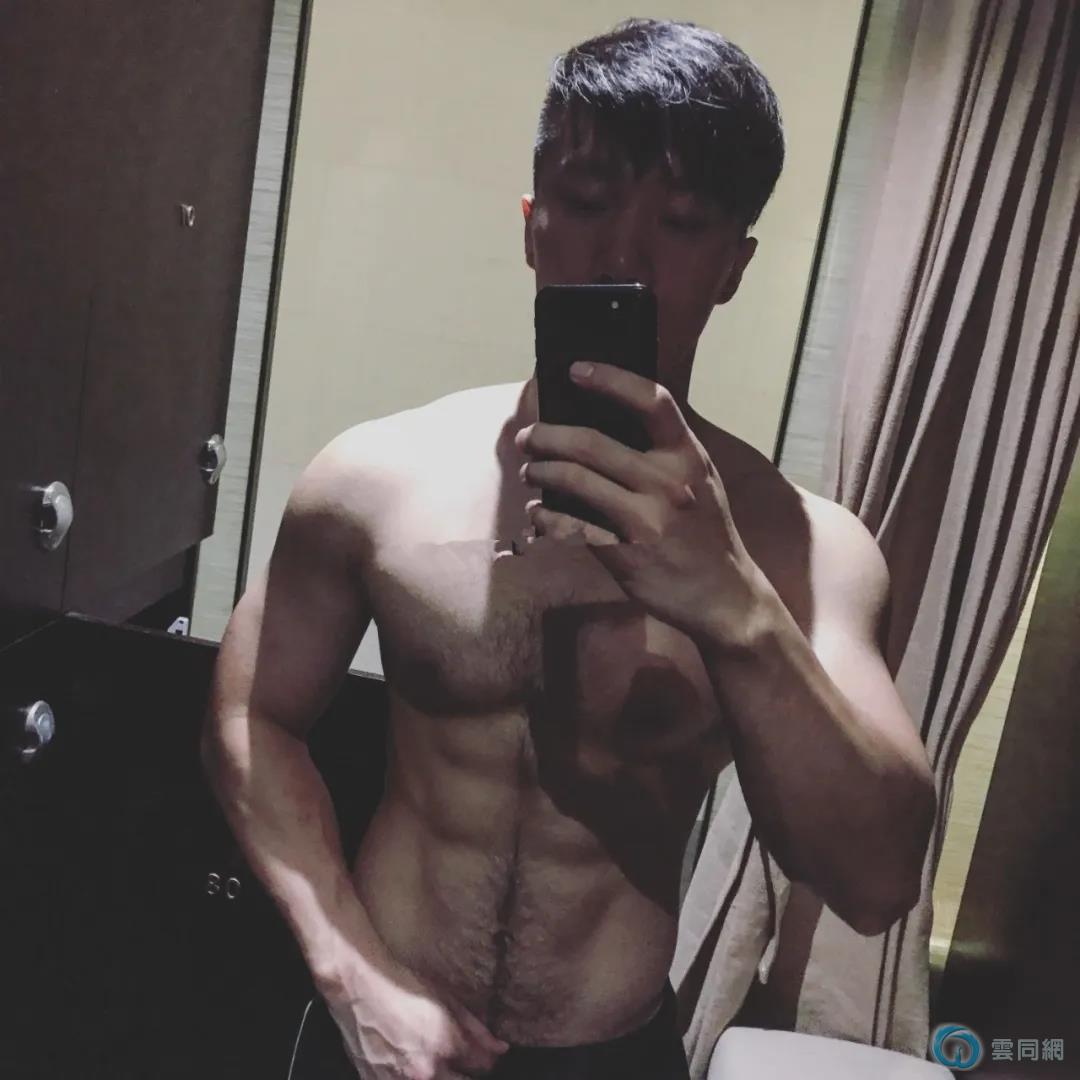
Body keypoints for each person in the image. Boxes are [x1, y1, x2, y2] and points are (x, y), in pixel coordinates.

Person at [201, 18, 937, 1080]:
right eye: (587, 203)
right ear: (532, 223)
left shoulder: (806, 551)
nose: (623, 259)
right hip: (376, 1031)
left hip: (612, 1053)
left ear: (734, 266)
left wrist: (733, 607)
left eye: (680, 224)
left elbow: (877, 881)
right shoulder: (372, 480)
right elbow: (250, 718)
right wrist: (353, 975)